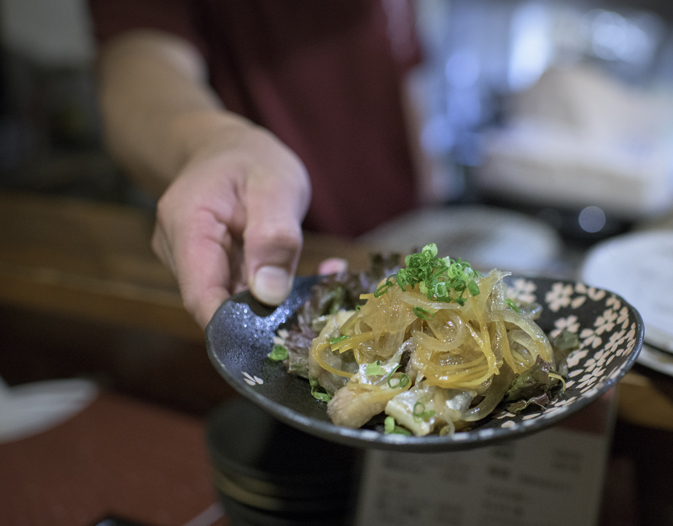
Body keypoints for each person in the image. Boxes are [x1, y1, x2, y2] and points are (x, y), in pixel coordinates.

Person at [88, 0, 425, 328]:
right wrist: (218, 142)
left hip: (403, 239)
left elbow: (401, 59)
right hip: (284, 264)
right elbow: (139, 70)